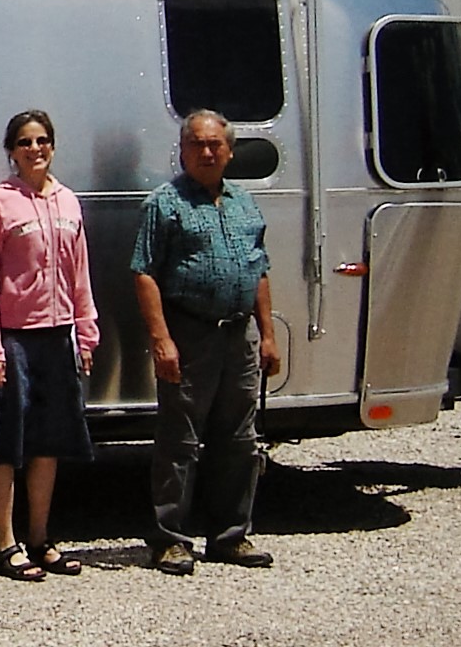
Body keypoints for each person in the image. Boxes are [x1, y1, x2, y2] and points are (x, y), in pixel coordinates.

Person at [130, 109, 281, 575]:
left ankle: (231, 536)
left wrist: (268, 334)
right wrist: (161, 339)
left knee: (240, 439)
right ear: (182, 150)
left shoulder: (243, 203)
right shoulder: (165, 203)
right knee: (180, 440)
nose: (207, 151)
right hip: (190, 332)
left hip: (239, 335)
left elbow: (259, 270)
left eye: (215, 144)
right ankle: (170, 539)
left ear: (230, 150)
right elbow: (144, 273)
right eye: (197, 144)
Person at [0, 109, 98, 580]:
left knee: (48, 442)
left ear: (53, 146)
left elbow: (80, 275)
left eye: (43, 140)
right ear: (12, 150)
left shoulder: (68, 201)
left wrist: (86, 333)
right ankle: (5, 543)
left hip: (58, 335)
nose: (35, 149)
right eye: (25, 142)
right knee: (6, 443)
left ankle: (40, 538)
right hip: (13, 337)